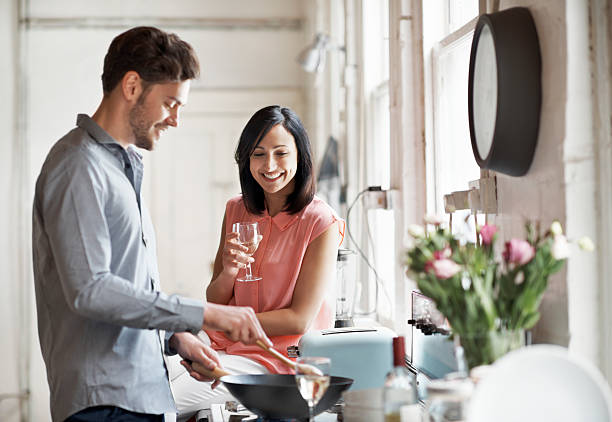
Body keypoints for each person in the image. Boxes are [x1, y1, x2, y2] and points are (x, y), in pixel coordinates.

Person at [32, 26, 270, 422]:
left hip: (139, 394)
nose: (175, 120)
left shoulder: (123, 165)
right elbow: (91, 291)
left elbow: (128, 290)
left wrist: (175, 337)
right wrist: (207, 314)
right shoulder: (79, 167)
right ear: (131, 86)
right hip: (105, 404)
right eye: (170, 103)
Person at [169, 105, 344, 420]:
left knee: (161, 400)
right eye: (258, 154)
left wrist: (231, 322)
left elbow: (299, 320)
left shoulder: (321, 221)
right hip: (221, 342)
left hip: (274, 359)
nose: (270, 165)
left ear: (300, 157)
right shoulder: (237, 209)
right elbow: (216, 298)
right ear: (246, 159)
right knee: (145, 374)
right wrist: (230, 271)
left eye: (280, 153)